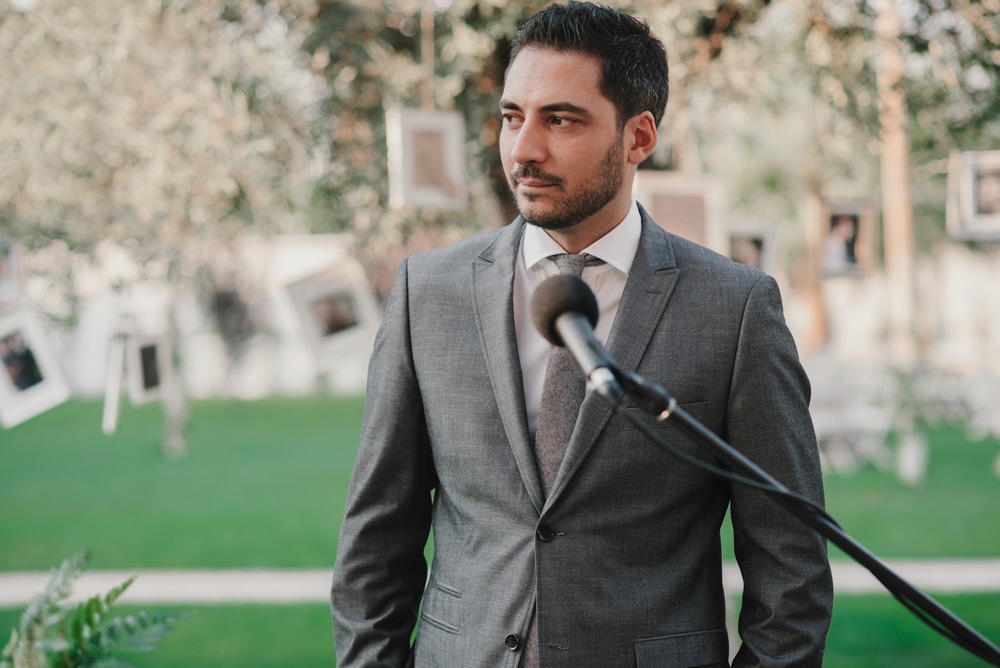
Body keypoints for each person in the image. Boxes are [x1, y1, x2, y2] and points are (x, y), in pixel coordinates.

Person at [330, 2, 833, 666]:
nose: (525, 149)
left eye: (560, 120)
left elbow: (791, 574)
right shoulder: (428, 293)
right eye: (513, 117)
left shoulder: (734, 309)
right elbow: (376, 543)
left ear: (638, 138)